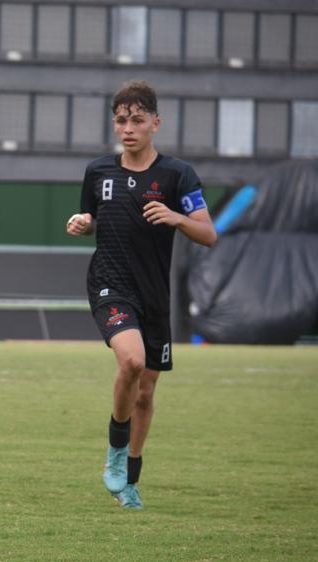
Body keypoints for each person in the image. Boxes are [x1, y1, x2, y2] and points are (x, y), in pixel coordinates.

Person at [66, 81, 216, 509]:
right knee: (130, 360)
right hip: (110, 283)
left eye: (136, 120)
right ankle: (114, 453)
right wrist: (82, 223)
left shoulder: (177, 175)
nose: (127, 128)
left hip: (154, 294)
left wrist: (175, 216)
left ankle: (130, 475)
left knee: (147, 393)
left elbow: (208, 233)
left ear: (155, 123)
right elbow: (93, 216)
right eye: (120, 120)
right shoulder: (99, 171)